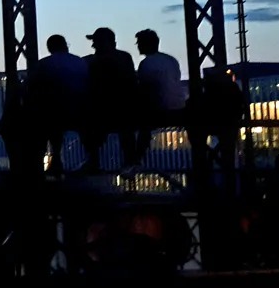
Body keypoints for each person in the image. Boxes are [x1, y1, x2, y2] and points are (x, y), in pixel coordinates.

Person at [27, 34, 90, 176]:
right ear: (65, 45)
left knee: (46, 125)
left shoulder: (44, 64)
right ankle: (92, 160)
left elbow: (32, 87)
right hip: (81, 110)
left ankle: (46, 164)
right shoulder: (80, 62)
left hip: (53, 111)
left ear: (50, 48)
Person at [82, 27, 139, 172]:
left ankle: (93, 162)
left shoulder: (93, 62)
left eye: (96, 41)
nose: (93, 45)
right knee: (126, 134)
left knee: (92, 132)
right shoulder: (124, 57)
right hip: (124, 109)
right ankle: (130, 162)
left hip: (101, 110)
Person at [133, 28, 185, 164]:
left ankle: (136, 159)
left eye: (139, 43)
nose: (138, 46)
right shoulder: (171, 60)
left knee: (140, 124)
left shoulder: (146, 64)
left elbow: (146, 90)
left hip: (162, 110)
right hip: (180, 109)